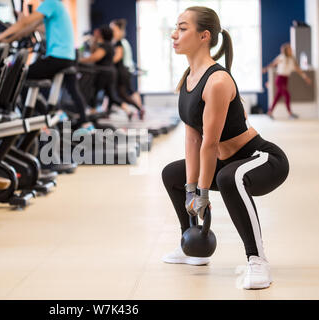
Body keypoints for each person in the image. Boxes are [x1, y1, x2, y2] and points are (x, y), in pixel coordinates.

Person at [161, 6, 290, 290]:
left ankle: (257, 261)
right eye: (176, 27)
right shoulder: (188, 78)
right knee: (173, 174)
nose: (174, 34)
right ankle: (190, 245)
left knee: (228, 177)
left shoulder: (217, 81)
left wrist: (202, 194)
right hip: (228, 160)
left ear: (204, 35)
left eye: (183, 28)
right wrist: (190, 187)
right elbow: (192, 138)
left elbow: (209, 142)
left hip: (262, 158)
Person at [0, 0, 93, 130]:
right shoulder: (57, 5)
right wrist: (5, 40)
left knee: (19, 76)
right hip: (68, 57)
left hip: (58, 57)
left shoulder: (51, 3)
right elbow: (27, 29)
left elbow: (24, 23)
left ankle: (32, 118)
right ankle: (83, 122)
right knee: (72, 89)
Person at [78, 25, 133, 119]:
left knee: (93, 91)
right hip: (109, 72)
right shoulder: (108, 45)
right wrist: (95, 39)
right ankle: (128, 110)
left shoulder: (105, 45)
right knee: (111, 95)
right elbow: (93, 51)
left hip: (105, 73)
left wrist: (81, 60)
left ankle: (92, 111)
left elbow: (95, 57)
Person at [263, 43, 312, 119]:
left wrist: (305, 78)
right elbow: (273, 64)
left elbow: (298, 70)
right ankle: (290, 113)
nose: (291, 50)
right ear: (286, 50)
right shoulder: (281, 57)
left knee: (277, 97)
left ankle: (269, 112)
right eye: (290, 49)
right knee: (287, 95)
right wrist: (265, 69)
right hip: (279, 79)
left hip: (285, 80)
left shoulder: (292, 60)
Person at [110, 19, 145, 120]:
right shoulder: (124, 42)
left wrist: (107, 61)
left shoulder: (119, 43)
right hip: (126, 70)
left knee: (124, 94)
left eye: (113, 29)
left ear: (119, 30)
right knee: (126, 92)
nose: (111, 31)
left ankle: (139, 109)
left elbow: (118, 57)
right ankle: (137, 109)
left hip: (123, 71)